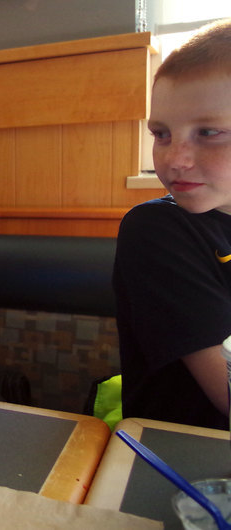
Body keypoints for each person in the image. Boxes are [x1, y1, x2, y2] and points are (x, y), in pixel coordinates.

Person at [113, 18, 231, 429]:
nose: (175, 159)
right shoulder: (157, 229)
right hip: (176, 455)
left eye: (209, 132)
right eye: (161, 134)